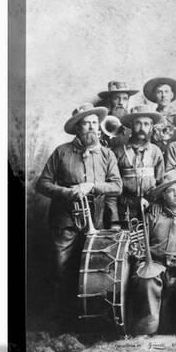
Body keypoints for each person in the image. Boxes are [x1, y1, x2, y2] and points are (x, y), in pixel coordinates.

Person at [36, 103, 122, 327]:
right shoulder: (61, 152)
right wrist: (67, 192)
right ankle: (59, 322)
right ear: (77, 128)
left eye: (95, 123)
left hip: (97, 220)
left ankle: (89, 321)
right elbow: (42, 184)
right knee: (60, 269)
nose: (92, 128)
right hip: (65, 221)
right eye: (87, 123)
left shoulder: (106, 154)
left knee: (94, 271)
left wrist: (92, 186)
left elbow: (117, 186)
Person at [130, 170, 176, 337]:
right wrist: (142, 259)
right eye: (170, 190)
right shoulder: (154, 214)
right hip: (156, 263)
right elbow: (141, 242)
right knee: (147, 279)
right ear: (164, 195)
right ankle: (147, 330)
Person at [107, 105, 165, 225]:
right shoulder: (118, 152)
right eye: (138, 123)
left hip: (150, 209)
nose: (142, 128)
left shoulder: (156, 152)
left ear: (151, 127)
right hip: (125, 210)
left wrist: (157, 203)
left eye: (146, 124)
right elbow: (111, 189)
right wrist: (114, 220)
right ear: (131, 126)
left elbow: (161, 184)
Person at [143, 77, 176, 153]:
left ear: (172, 95)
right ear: (154, 95)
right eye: (159, 92)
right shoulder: (151, 117)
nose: (163, 95)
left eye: (166, 92)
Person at [97, 80, 139, 149]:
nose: (121, 103)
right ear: (110, 100)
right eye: (116, 98)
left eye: (125, 99)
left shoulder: (134, 122)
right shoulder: (101, 122)